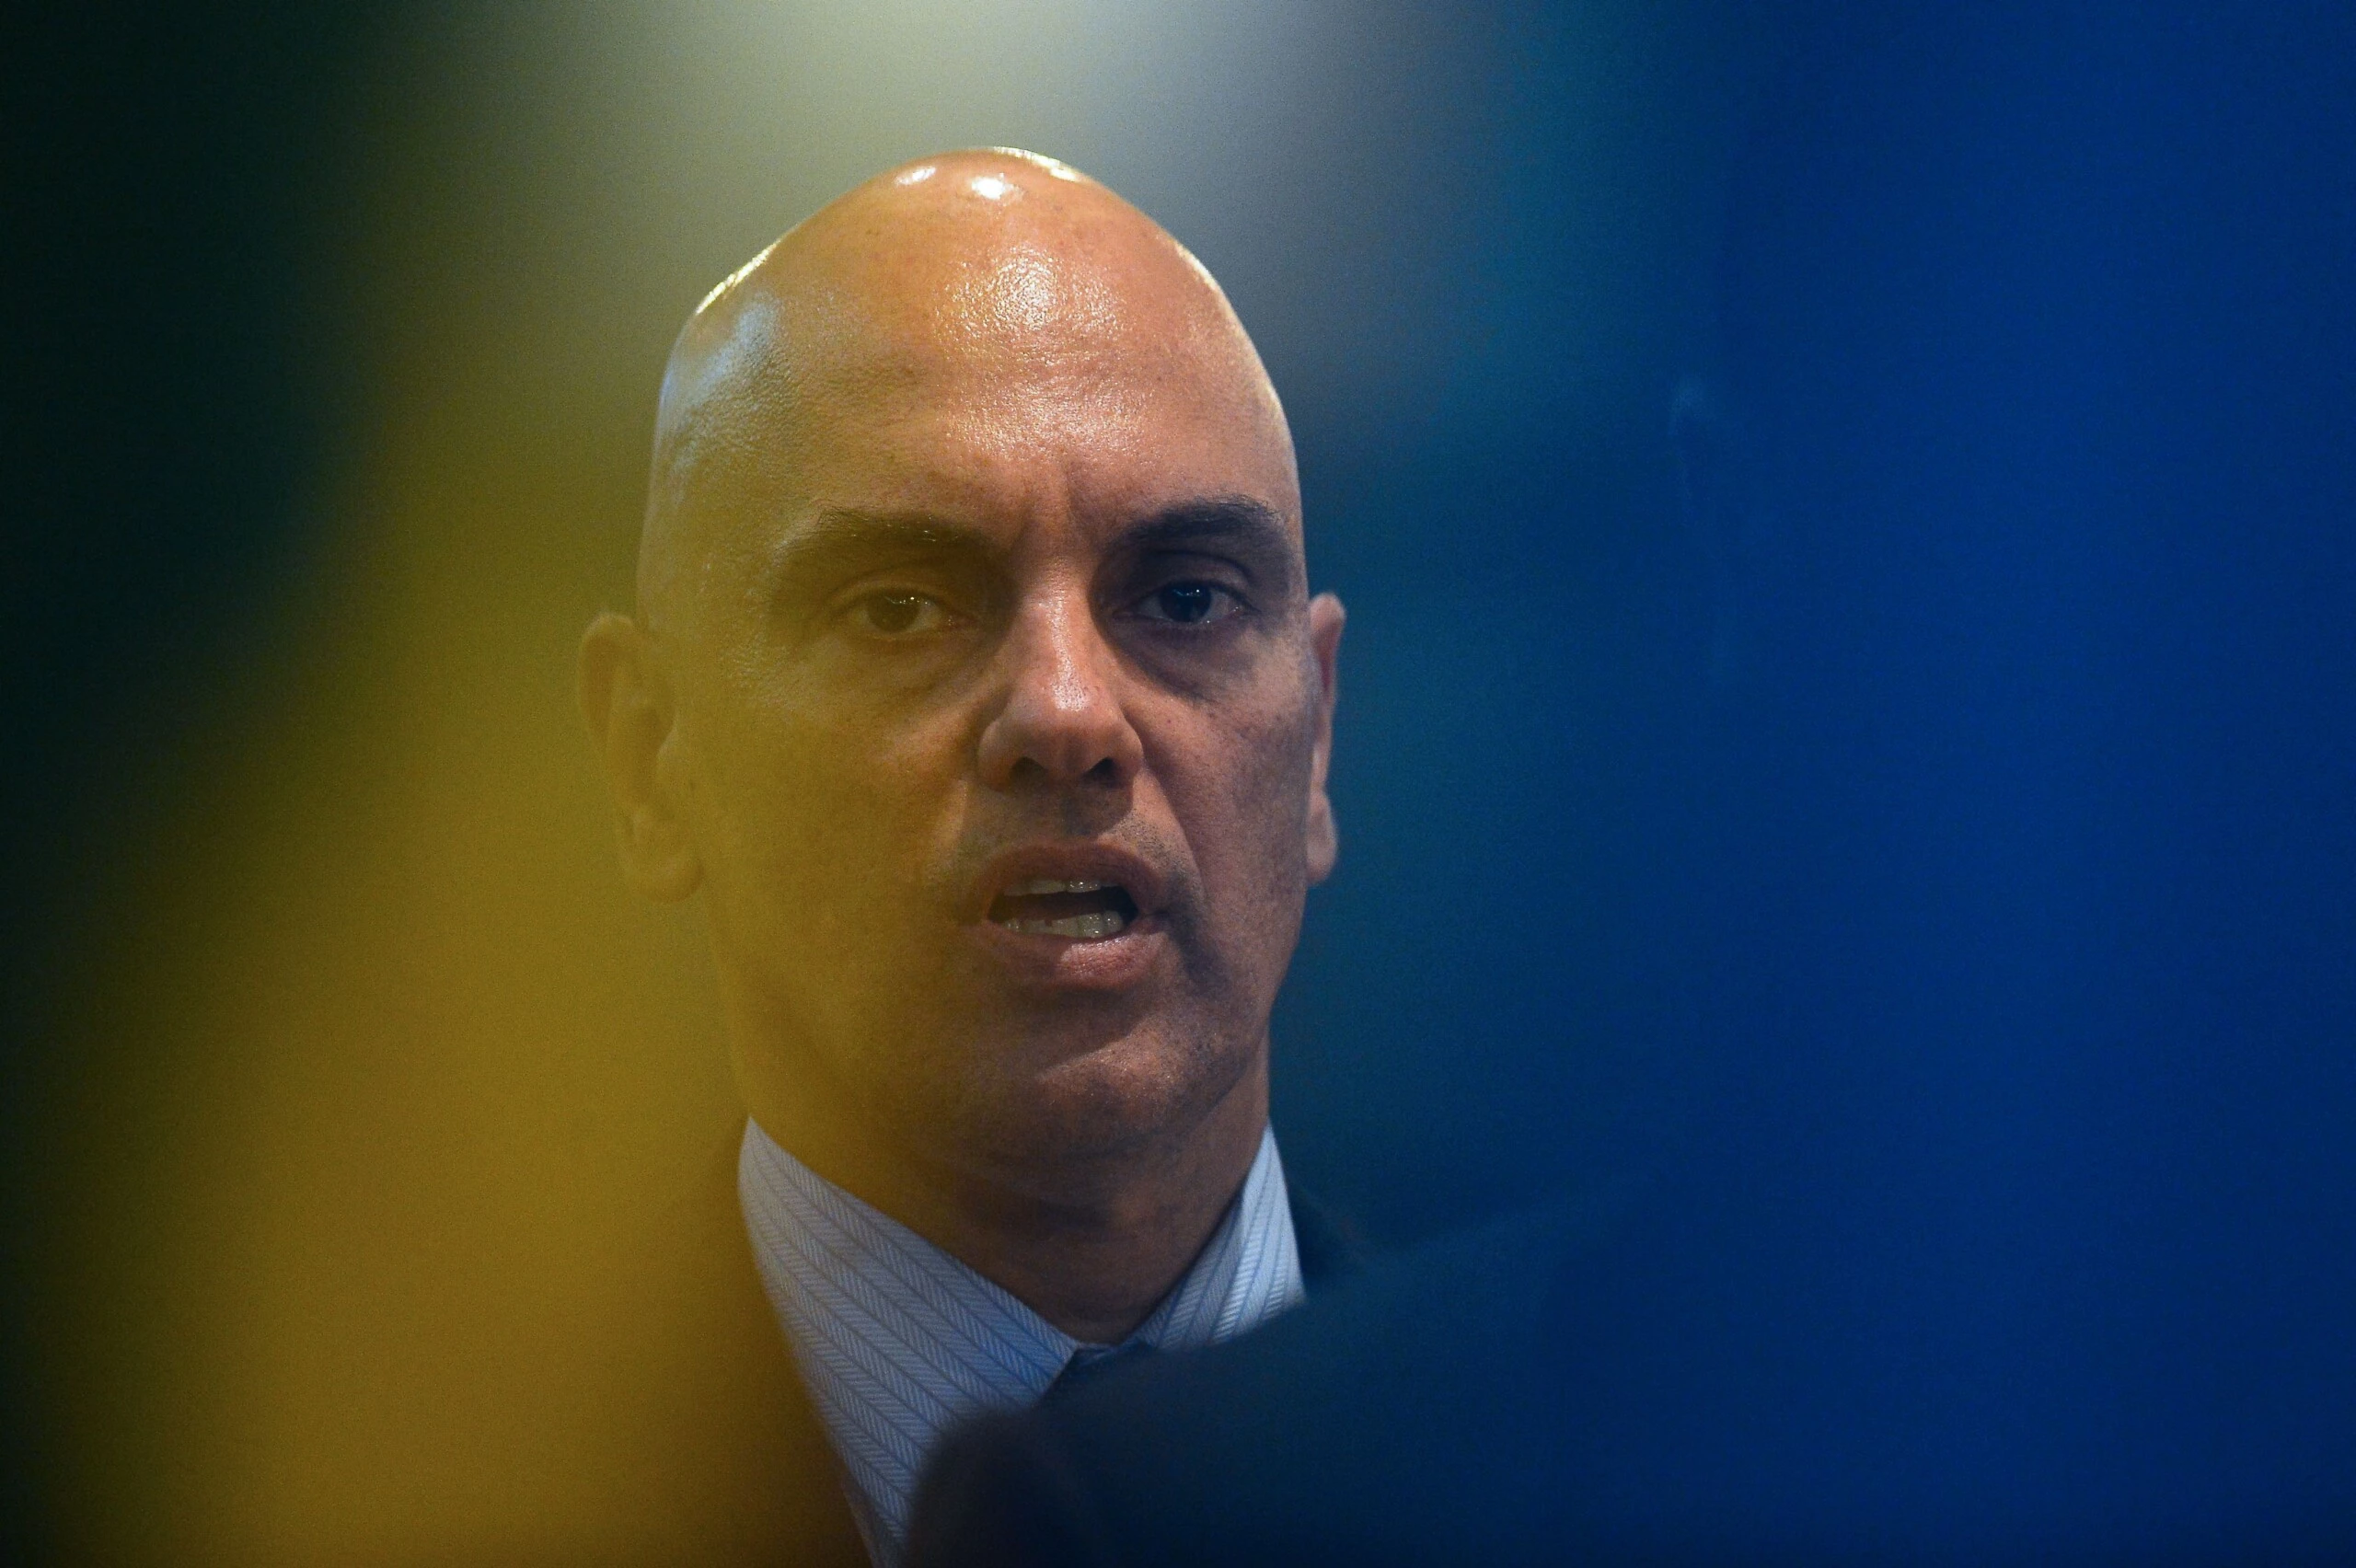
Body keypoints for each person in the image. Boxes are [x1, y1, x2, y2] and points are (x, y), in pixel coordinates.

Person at [904, 8, 2356, 1563]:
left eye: (2269, 501)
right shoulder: (1208, 1513)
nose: (2166, 638)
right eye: (2020, 516)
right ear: (1748, 536)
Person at [575, 147, 1353, 1566]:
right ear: (651, 761)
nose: (1066, 713)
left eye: (1184, 597)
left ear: (1313, 742)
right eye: (898, 611)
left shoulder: (1679, 1486)